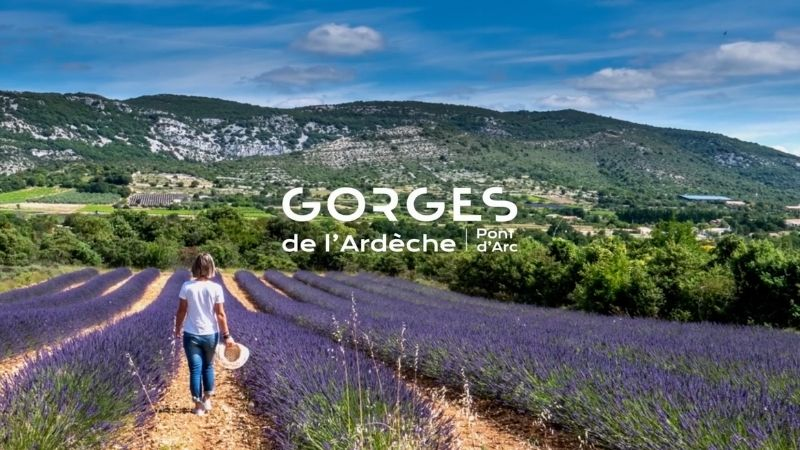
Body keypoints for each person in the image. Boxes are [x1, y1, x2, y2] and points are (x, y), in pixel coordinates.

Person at [174, 253, 236, 416]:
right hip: (210, 334)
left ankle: (198, 406)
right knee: (208, 366)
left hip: (191, 334)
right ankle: (207, 399)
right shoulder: (216, 288)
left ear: (195, 268)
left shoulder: (187, 286)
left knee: (195, 370)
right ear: (211, 268)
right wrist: (227, 335)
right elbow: (220, 314)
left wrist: (177, 328)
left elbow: (181, 311)